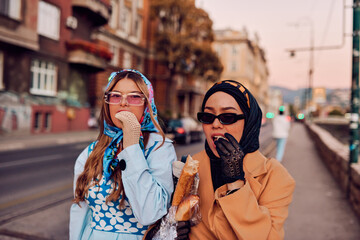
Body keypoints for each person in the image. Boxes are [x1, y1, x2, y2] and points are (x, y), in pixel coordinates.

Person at [178, 80, 295, 240]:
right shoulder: (190, 166)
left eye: (227, 117)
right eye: (208, 116)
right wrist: (170, 231)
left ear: (248, 122)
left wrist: (236, 183)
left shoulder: (275, 176)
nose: (216, 124)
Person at [69, 69, 177, 240]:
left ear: (146, 105)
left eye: (134, 97)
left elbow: (150, 213)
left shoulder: (159, 149)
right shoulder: (91, 152)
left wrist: (132, 147)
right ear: (108, 103)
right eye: (116, 96)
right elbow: (80, 210)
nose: (123, 103)